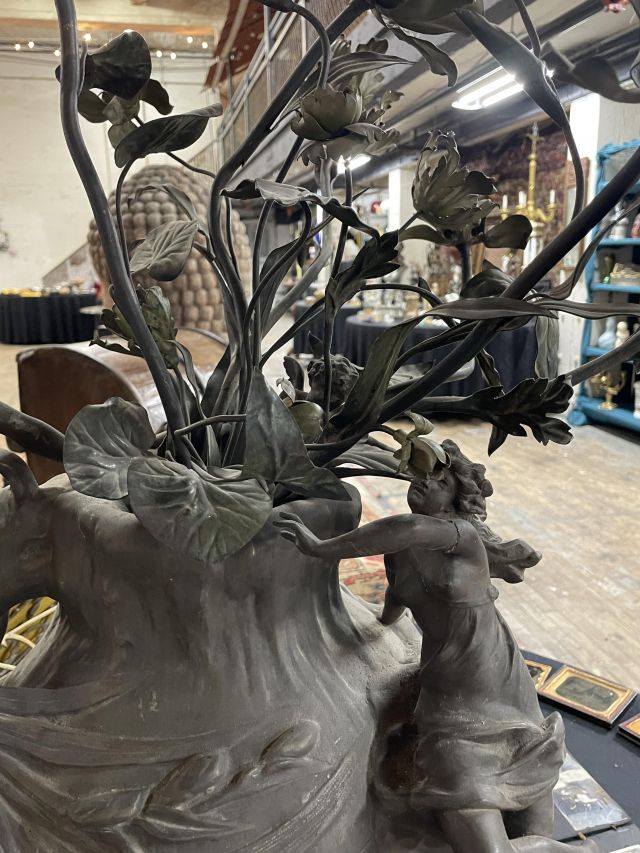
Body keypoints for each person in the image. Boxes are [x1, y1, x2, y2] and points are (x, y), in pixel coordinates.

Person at [275, 441, 599, 853]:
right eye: (423, 476)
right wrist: (358, 633)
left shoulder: (462, 537)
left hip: (491, 678)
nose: (425, 484)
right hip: (444, 690)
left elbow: (408, 528)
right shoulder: (397, 555)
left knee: (520, 813)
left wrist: (321, 548)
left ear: (456, 498)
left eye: (441, 481)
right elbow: (393, 606)